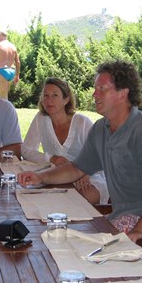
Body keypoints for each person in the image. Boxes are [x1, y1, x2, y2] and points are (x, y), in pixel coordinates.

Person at [18, 60, 142, 242]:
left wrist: (139, 232)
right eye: (95, 88)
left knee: (73, 242)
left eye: (102, 89)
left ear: (123, 93)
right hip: (121, 216)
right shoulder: (102, 128)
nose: (94, 94)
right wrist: (41, 177)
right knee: (56, 232)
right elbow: (76, 169)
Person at [22, 77, 109, 205]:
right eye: (45, 95)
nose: (49, 100)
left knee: (75, 204)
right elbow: (26, 150)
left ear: (66, 99)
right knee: (33, 199)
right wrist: (50, 158)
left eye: (55, 95)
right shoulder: (41, 119)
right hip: (54, 176)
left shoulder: (81, 122)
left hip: (88, 177)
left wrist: (86, 171)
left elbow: (102, 156)